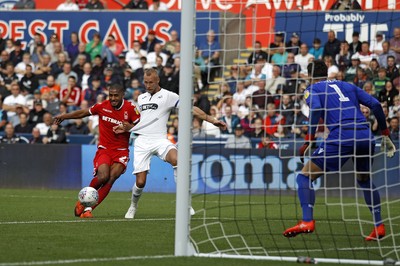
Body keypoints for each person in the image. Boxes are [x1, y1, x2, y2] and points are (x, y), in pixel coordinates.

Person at [282, 60, 396, 241]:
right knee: (364, 180)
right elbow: (375, 105)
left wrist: (308, 140)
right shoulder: (346, 85)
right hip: (365, 136)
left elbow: (317, 107)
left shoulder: (312, 89)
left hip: (342, 135)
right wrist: (385, 134)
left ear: (309, 75)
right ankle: (379, 226)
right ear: (326, 72)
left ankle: (307, 221)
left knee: (304, 176)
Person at [112, 68, 226, 219]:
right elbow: (143, 121)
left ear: (158, 80)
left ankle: (185, 204)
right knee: (140, 182)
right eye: (145, 82)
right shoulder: (141, 98)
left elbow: (191, 108)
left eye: (150, 82)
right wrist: (127, 127)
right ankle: (133, 206)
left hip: (160, 139)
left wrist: (211, 120)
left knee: (177, 159)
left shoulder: (169, 96)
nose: (148, 85)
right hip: (142, 141)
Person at [54, 83, 141, 218]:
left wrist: (128, 127)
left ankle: (88, 210)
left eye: (116, 95)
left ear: (122, 95)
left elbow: (141, 126)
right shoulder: (102, 106)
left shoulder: (130, 108)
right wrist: (65, 116)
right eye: (110, 95)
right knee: (103, 177)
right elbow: (83, 112)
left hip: (122, 151)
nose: (112, 98)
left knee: (111, 178)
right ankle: (83, 201)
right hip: (105, 149)